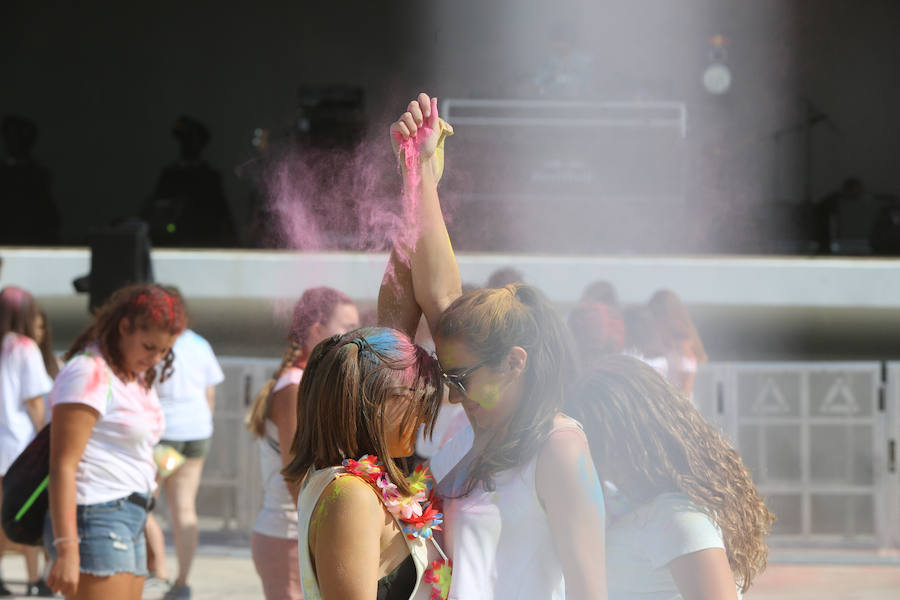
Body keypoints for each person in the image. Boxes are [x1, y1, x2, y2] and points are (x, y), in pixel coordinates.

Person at [390, 93, 607, 599]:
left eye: (461, 380)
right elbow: (440, 296)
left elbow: (590, 591)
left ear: (515, 363)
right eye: (449, 379)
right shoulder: (472, 427)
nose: (453, 394)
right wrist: (417, 180)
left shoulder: (559, 447)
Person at [566, 355, 774, 600]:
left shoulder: (678, 517)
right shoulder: (644, 507)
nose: (590, 454)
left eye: (595, 438)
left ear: (627, 437)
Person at [44, 284, 186, 599]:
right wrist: (67, 548)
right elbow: (63, 463)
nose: (156, 358)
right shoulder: (89, 371)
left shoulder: (131, 376)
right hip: (96, 515)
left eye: (164, 351)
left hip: (128, 515)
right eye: (150, 346)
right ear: (124, 327)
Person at [245, 286, 359, 600]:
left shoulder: (314, 382)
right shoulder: (294, 386)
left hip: (307, 529)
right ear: (317, 330)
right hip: (288, 533)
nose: (355, 337)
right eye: (347, 327)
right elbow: (298, 475)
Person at [143, 293, 225, 600]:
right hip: (197, 433)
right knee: (185, 510)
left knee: (143, 503)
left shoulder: (155, 342)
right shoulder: (200, 344)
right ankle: (183, 582)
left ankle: (159, 570)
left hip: (166, 436)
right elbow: (210, 395)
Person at [0, 287, 54, 596]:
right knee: (24, 514)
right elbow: (34, 400)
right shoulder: (23, 347)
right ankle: (35, 579)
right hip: (19, 445)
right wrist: (43, 439)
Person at [647, 290, 708, 397]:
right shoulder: (679, 340)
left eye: (657, 313)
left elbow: (685, 385)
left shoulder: (682, 341)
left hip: (675, 404)